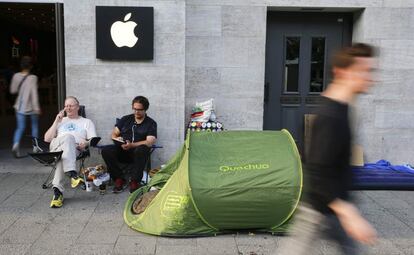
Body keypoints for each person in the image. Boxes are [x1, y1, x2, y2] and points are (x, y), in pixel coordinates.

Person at [278, 43, 377, 254]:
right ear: (341, 72)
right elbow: (317, 171)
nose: (370, 77)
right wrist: (348, 213)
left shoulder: (342, 109)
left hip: (334, 208)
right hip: (321, 210)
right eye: (364, 71)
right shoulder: (330, 116)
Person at [44, 96, 97, 208]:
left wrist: (86, 144)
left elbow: (93, 139)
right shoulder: (60, 121)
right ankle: (72, 173)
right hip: (56, 146)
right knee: (68, 137)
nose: (68, 108)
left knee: (62, 158)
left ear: (78, 107)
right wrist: (56, 120)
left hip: (74, 150)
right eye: (66, 106)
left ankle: (57, 194)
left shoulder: (86, 122)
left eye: (71, 105)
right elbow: (47, 139)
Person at [101, 96, 157, 193]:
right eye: (134, 109)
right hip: (122, 150)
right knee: (106, 150)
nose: (136, 112)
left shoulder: (151, 123)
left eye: (139, 110)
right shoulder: (126, 119)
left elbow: (150, 141)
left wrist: (132, 145)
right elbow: (114, 134)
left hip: (138, 153)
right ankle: (119, 178)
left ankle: (135, 180)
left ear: (145, 109)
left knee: (142, 149)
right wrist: (118, 139)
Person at [10, 56, 41, 158]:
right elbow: (34, 93)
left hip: (20, 106)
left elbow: (13, 90)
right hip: (32, 107)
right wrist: (37, 107)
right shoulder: (33, 78)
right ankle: (35, 147)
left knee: (20, 127)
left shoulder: (16, 76)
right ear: (31, 66)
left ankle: (16, 144)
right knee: (34, 126)